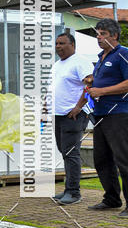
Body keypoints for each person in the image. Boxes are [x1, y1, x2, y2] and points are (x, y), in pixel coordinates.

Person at [76, 18, 128, 216]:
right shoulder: (101, 57)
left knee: (124, 160)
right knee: (102, 159)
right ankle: (111, 199)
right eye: (97, 34)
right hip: (100, 114)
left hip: (118, 114)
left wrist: (102, 91)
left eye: (103, 34)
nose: (98, 37)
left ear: (114, 35)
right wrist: (93, 81)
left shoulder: (123, 54)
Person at [52, 32, 93, 204]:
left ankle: (74, 192)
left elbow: (90, 83)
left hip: (73, 115)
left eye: (62, 43)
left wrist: (78, 107)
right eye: (56, 43)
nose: (58, 46)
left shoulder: (80, 61)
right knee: (64, 151)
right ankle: (68, 188)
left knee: (70, 152)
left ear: (73, 45)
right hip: (58, 115)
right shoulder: (57, 64)